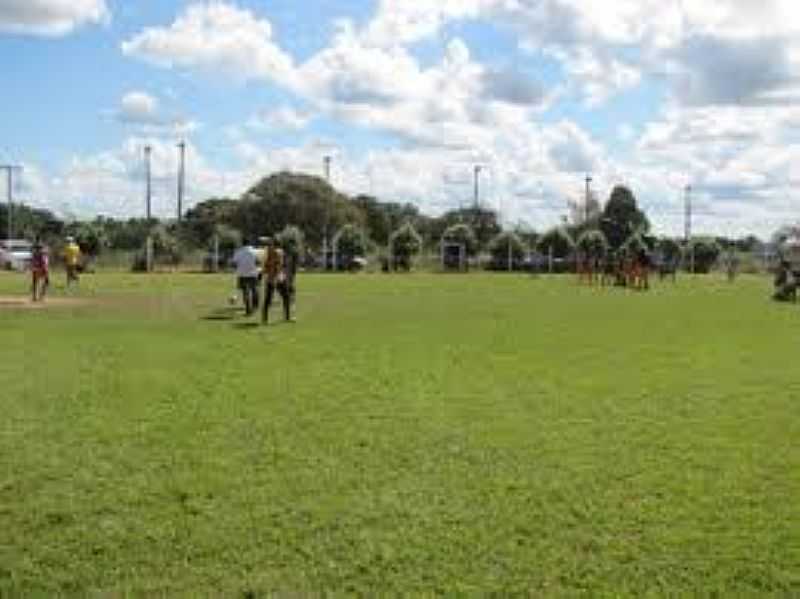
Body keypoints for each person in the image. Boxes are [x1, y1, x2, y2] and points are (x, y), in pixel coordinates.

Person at [262, 237, 292, 324]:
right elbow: (276, 265)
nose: (269, 246)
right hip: (276, 278)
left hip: (275, 277)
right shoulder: (275, 252)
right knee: (271, 298)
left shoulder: (272, 252)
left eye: (270, 244)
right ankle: (266, 318)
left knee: (283, 297)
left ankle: (266, 318)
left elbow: (275, 265)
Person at [232, 239, 260, 316]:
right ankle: (255, 305)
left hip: (242, 274)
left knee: (245, 292)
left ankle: (248, 309)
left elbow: (234, 264)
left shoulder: (238, 252)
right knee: (255, 289)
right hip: (253, 273)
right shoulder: (255, 251)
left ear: (242, 243)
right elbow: (258, 262)